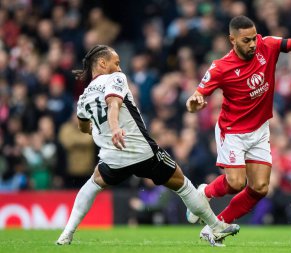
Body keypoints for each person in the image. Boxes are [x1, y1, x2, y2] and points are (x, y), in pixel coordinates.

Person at [56, 45, 240, 247]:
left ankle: (67, 233)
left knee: (93, 184)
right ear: (102, 63)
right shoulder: (116, 78)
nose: (119, 68)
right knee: (182, 183)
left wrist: (102, 131)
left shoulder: (83, 97)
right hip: (140, 150)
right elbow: (113, 103)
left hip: (113, 155)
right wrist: (115, 127)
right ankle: (215, 226)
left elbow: (84, 127)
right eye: (116, 63)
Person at [185, 16, 291, 228]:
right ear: (232, 40)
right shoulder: (220, 67)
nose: (253, 44)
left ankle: (216, 226)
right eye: (246, 40)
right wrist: (195, 103)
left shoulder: (268, 45)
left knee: (260, 187)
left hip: (260, 129)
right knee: (237, 183)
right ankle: (205, 192)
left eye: (254, 38)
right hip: (233, 131)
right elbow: (196, 97)